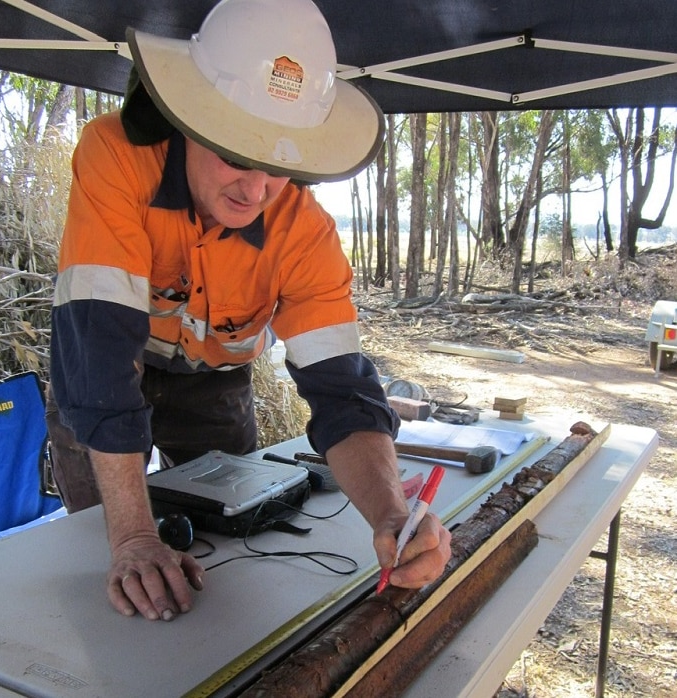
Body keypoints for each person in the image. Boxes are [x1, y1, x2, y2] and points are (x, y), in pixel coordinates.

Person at [47, 0, 451, 622]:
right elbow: (98, 357)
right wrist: (132, 537)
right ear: (190, 119)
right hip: (99, 377)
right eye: (236, 155)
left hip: (214, 384)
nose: (254, 190)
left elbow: (344, 395)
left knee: (235, 543)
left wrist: (393, 517)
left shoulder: (306, 234)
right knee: (107, 567)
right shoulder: (116, 156)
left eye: (279, 167)